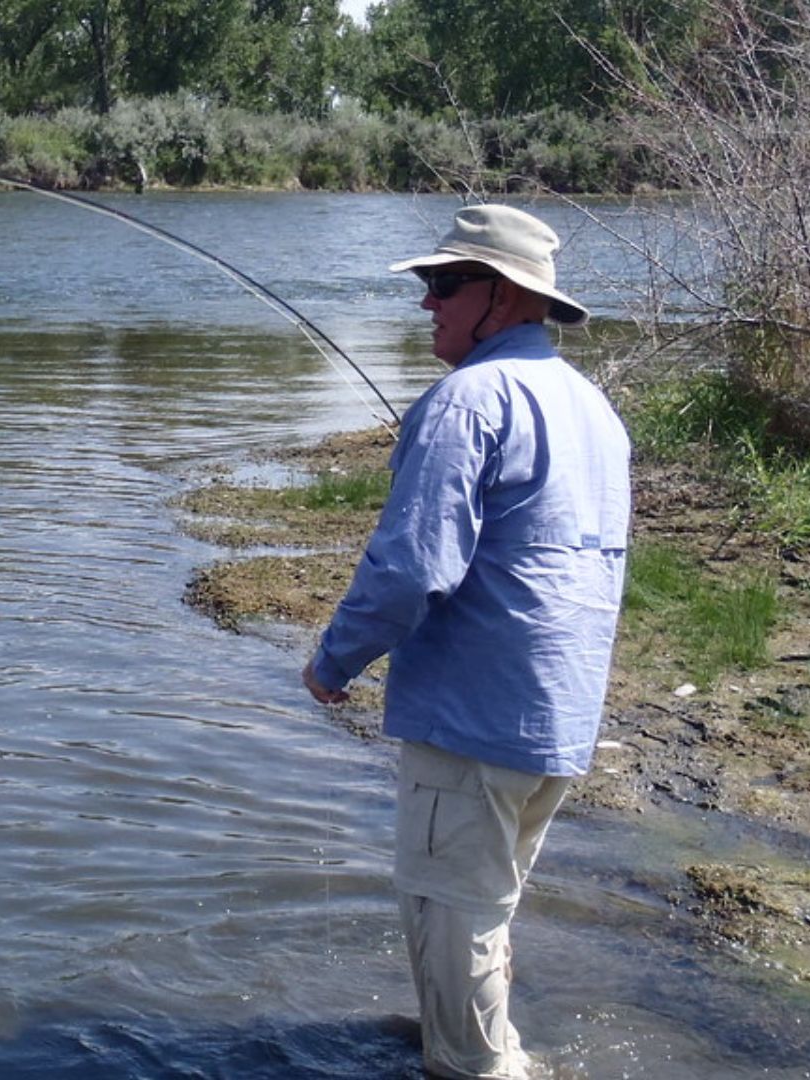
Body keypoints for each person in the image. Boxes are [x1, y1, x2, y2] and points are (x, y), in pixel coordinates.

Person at [300, 205, 630, 1079]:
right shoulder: (592, 406)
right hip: (556, 720)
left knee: (454, 914)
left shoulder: (466, 401)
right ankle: (492, 1049)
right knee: (485, 912)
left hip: (473, 720)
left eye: (445, 284)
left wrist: (333, 663)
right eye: (428, 283)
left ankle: (479, 1069)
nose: (427, 303)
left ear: (508, 296)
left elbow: (412, 568)